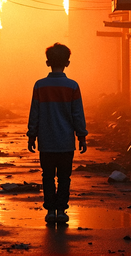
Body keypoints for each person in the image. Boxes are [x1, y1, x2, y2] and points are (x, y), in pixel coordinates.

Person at [27, 42, 88, 224]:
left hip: (46, 142)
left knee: (47, 176)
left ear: (47, 63)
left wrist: (32, 135)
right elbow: (77, 114)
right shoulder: (72, 86)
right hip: (65, 143)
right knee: (64, 177)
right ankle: (61, 210)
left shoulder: (40, 86)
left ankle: (50, 211)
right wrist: (82, 136)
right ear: (67, 63)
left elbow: (34, 113)